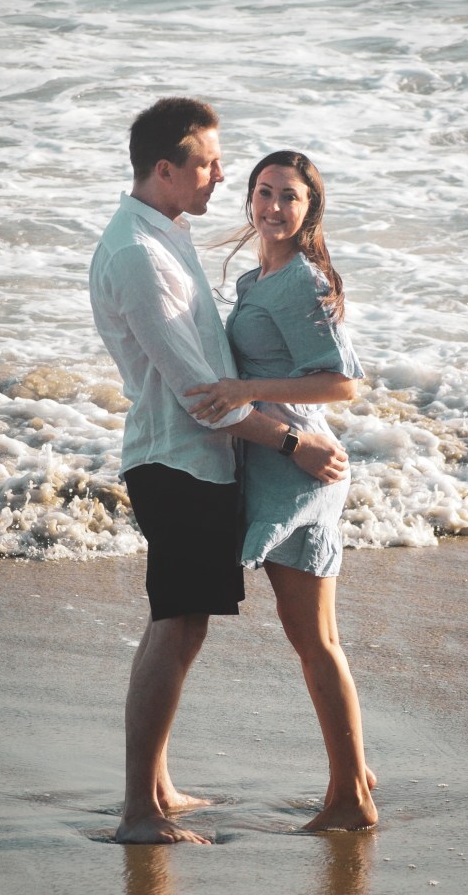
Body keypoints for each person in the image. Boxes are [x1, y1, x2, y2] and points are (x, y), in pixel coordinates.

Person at [89, 100, 350, 845]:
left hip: (191, 460)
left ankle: (157, 788)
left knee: (178, 625)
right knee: (175, 627)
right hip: (180, 461)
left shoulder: (161, 235)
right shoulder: (140, 256)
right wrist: (292, 444)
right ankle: (140, 812)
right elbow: (200, 396)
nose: (221, 176)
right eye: (207, 162)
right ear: (165, 169)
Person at [186, 150, 378, 831]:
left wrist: (245, 389)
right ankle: (354, 771)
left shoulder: (300, 281)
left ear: (309, 207)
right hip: (275, 465)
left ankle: (350, 799)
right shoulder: (257, 277)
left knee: (314, 641)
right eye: (264, 192)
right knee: (316, 638)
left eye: (289, 196)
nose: (272, 207)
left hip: (299, 473)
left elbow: (341, 383)